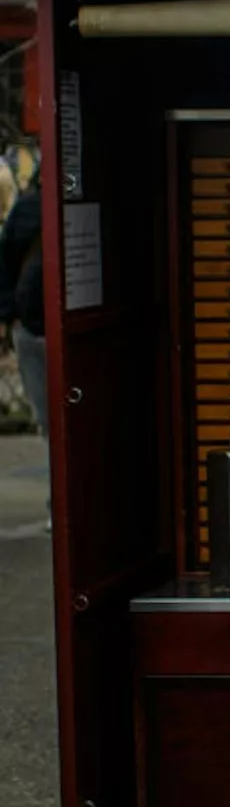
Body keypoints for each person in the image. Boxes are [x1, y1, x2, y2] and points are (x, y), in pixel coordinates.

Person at [0, 140, 49, 530]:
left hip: (31, 326)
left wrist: (10, 317)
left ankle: (59, 504)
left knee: (50, 422)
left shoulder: (27, 207)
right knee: (53, 422)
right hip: (33, 325)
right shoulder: (30, 210)